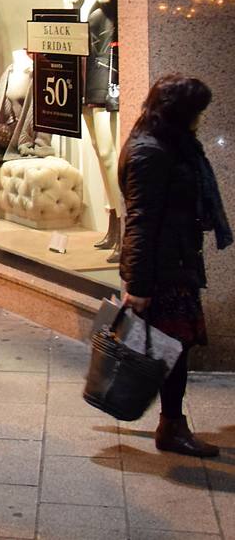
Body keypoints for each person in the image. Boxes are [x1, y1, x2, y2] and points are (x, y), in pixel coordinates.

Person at [119, 75, 230, 458]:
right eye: (196, 111)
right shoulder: (150, 152)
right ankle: (172, 427)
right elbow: (141, 220)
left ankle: (172, 423)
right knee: (173, 349)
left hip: (177, 261)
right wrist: (138, 284)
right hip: (162, 270)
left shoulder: (173, 144)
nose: (200, 118)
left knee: (175, 348)